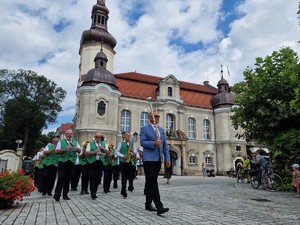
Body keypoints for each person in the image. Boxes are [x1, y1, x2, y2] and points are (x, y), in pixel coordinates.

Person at [140, 111, 171, 215]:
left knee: (150, 181)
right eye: (155, 116)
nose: (157, 118)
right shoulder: (144, 129)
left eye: (158, 116)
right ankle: (159, 206)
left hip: (158, 159)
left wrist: (167, 158)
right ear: (150, 117)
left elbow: (165, 146)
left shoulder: (161, 130)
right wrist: (154, 143)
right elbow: (142, 142)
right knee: (153, 181)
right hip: (148, 159)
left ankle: (148, 204)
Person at [53, 129, 82, 201]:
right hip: (62, 162)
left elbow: (80, 151)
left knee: (67, 179)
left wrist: (74, 147)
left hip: (71, 162)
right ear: (66, 135)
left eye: (71, 134)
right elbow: (57, 151)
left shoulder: (75, 142)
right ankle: (57, 195)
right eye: (68, 134)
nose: (70, 135)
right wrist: (65, 148)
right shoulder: (61, 142)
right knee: (61, 178)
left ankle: (65, 195)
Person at [115, 131, 138, 198]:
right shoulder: (121, 143)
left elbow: (136, 151)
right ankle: (124, 190)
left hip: (129, 162)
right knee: (124, 176)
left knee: (129, 175)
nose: (129, 137)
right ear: (124, 136)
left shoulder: (132, 143)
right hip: (123, 162)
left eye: (129, 136)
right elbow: (116, 151)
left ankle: (124, 189)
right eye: (127, 136)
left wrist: (133, 151)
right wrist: (122, 156)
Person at [85, 133, 107, 199]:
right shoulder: (90, 144)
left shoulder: (103, 144)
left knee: (98, 178)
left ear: (101, 138)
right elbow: (86, 152)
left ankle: (95, 191)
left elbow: (107, 152)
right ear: (94, 137)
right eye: (97, 137)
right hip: (92, 163)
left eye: (99, 137)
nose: (98, 138)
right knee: (92, 177)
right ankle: (93, 192)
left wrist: (102, 149)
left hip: (100, 163)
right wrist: (95, 152)